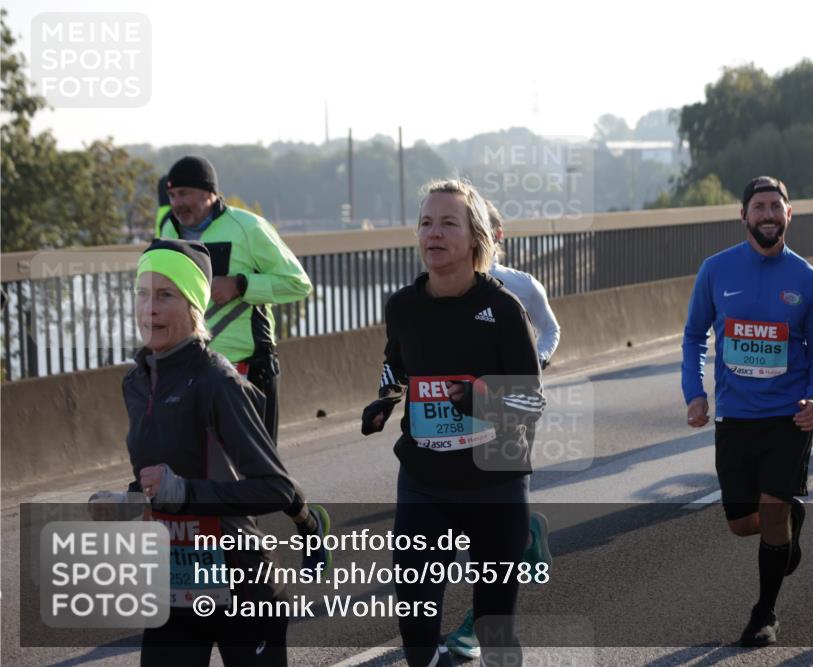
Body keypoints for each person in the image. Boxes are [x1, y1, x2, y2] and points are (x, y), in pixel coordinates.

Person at [91, 239, 313, 665]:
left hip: (243, 588)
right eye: (142, 293)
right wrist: (129, 502)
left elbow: (275, 489)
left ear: (195, 304)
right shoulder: (136, 384)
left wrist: (185, 493)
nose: (148, 308)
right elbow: (162, 480)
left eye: (165, 295)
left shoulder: (216, 382)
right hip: (176, 588)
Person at [361, 179, 546, 667]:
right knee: (417, 635)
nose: (434, 233)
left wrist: (478, 400)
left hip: (496, 482)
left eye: (448, 223)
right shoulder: (403, 306)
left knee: (496, 632)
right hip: (425, 483)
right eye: (426, 223)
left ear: (475, 238)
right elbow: (397, 366)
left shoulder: (504, 310)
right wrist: (386, 399)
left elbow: (530, 401)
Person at [682, 176, 813, 647]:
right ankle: (792, 517)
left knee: (770, 515)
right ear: (744, 215)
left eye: (776, 207)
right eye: (759, 207)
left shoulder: (808, 280)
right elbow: (693, 336)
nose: (768, 215)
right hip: (735, 415)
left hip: (788, 416)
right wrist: (695, 392)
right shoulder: (716, 270)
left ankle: (764, 613)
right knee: (740, 523)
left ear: (789, 215)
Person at [157, 156, 328, 563]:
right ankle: (229, 574)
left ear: (210, 192)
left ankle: (307, 523)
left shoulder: (247, 227)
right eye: (173, 194)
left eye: (185, 193)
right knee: (198, 473)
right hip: (193, 368)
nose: (178, 202)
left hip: (248, 366)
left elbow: (297, 284)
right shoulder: (168, 228)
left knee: (259, 473)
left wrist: (241, 284)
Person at [443, 200, 558, 660]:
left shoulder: (522, 286)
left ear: (497, 235)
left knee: (491, 507)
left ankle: (477, 622)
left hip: (510, 408)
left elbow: (551, 330)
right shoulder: (446, 285)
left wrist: (537, 366)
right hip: (458, 411)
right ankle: (526, 531)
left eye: (483, 229)